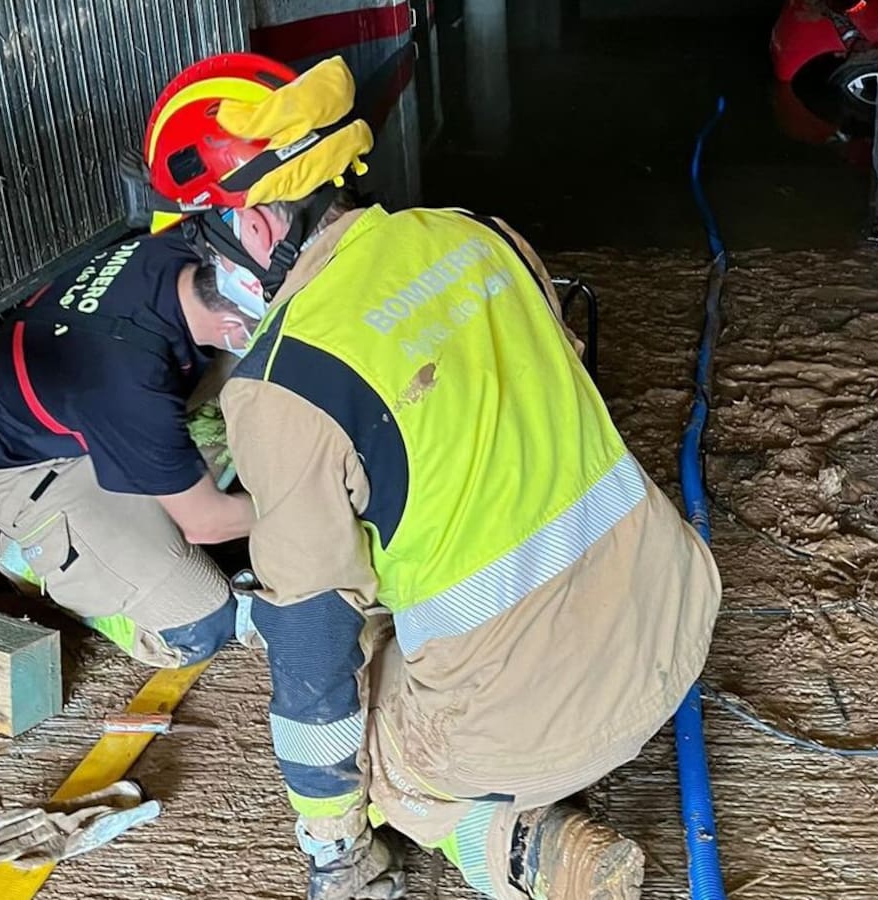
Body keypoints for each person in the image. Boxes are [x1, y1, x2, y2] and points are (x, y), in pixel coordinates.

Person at [140, 52, 721, 899]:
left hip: (548, 725)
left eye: (200, 239)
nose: (204, 268)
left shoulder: (282, 379)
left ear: (256, 227)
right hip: (673, 624)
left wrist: (331, 842)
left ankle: (533, 852)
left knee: (359, 734)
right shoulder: (477, 233)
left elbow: (310, 648)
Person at [0, 223, 262, 667]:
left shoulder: (178, 252)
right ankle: (31, 556)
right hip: (15, 464)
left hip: (51, 402)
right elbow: (206, 523)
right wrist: (310, 508)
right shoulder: (129, 386)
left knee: (248, 378)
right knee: (200, 624)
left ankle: (146, 486)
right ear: (231, 321)